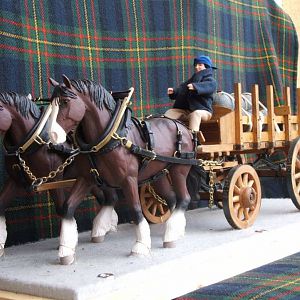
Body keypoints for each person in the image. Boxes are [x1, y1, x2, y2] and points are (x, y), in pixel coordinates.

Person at [164, 55, 217, 143]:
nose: (197, 67)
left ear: (206, 66)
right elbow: (182, 88)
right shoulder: (192, 79)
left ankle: (192, 140)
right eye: (196, 65)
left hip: (204, 112)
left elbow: (208, 87)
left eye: (200, 65)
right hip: (187, 111)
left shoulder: (211, 80)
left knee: (196, 114)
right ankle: (167, 135)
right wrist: (174, 91)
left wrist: (196, 87)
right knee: (170, 113)